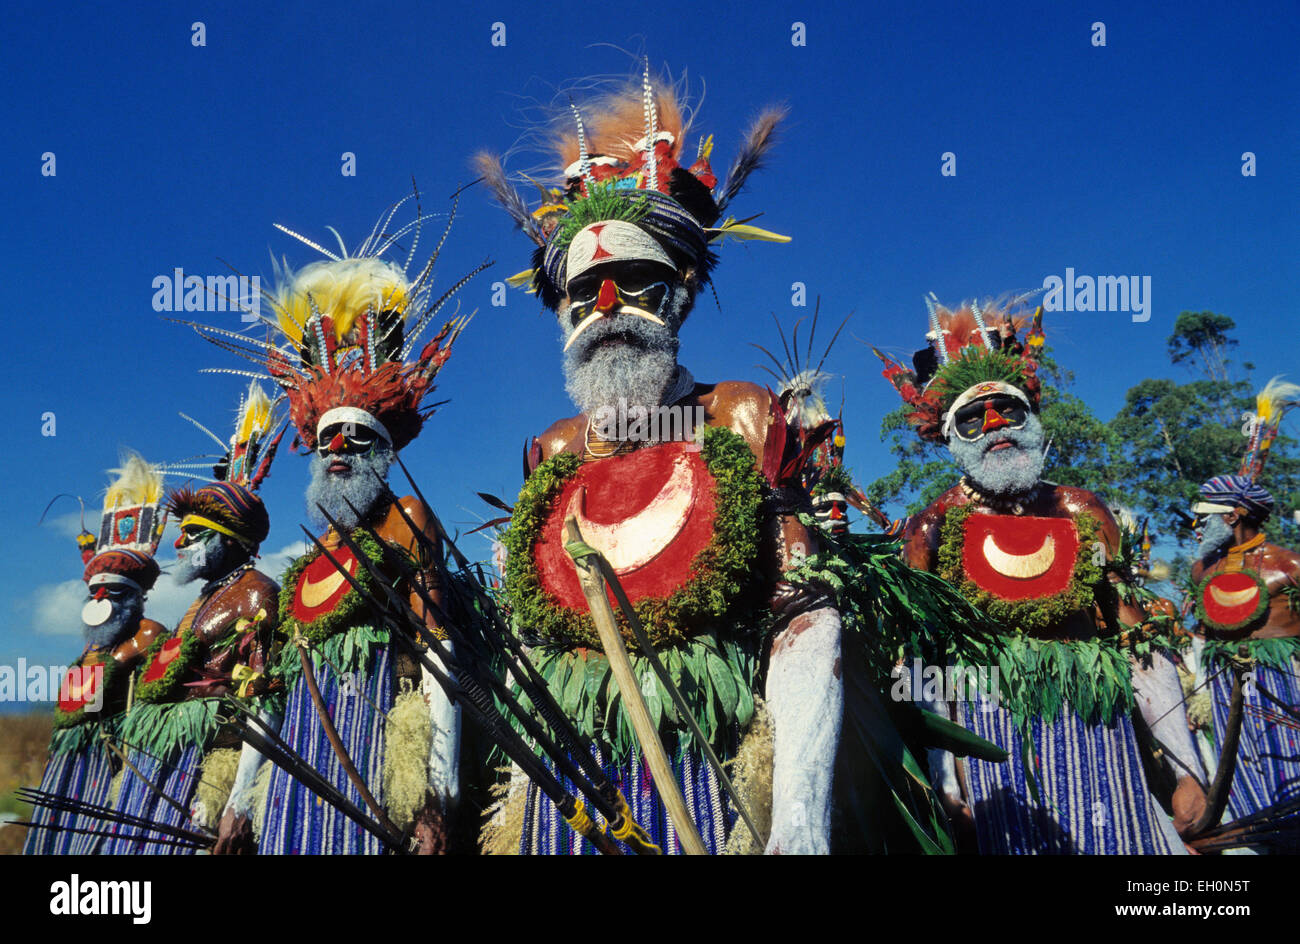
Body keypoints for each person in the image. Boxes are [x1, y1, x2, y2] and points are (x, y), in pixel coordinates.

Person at [476, 69, 844, 854]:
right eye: (583, 293)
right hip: (573, 800)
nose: (605, 307)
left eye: (630, 282)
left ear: (681, 289)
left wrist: (799, 823)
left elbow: (805, 610)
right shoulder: (554, 450)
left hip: (711, 779)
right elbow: (532, 641)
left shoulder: (736, 415)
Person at [185, 201, 488, 853]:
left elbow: (439, 656)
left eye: (356, 438)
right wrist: (241, 802)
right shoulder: (303, 566)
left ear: (384, 450)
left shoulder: (408, 522)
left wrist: (436, 795)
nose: (340, 451)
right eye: (328, 442)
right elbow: (271, 691)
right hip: (299, 780)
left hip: (373, 761)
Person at [878, 296, 1202, 853]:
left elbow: (1133, 639)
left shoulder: (1082, 511)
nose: (995, 425)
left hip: (1098, 726)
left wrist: (1185, 769)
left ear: (1033, 415)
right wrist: (948, 778)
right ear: (951, 437)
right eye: (973, 418)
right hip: (993, 735)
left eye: (1010, 409)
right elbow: (927, 664)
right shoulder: (931, 528)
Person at [104, 384, 283, 854]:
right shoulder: (198, 603)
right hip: (171, 763)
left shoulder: (257, 593)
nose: (180, 544)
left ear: (236, 540)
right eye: (179, 534)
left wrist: (241, 801)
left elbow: (267, 700)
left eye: (195, 533)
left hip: (215, 766)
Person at [24, 455, 168, 854]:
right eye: (95, 592)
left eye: (115, 592)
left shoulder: (146, 634)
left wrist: (119, 660)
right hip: (73, 760)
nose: (102, 599)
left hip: (120, 757)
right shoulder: (93, 645)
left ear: (137, 598)